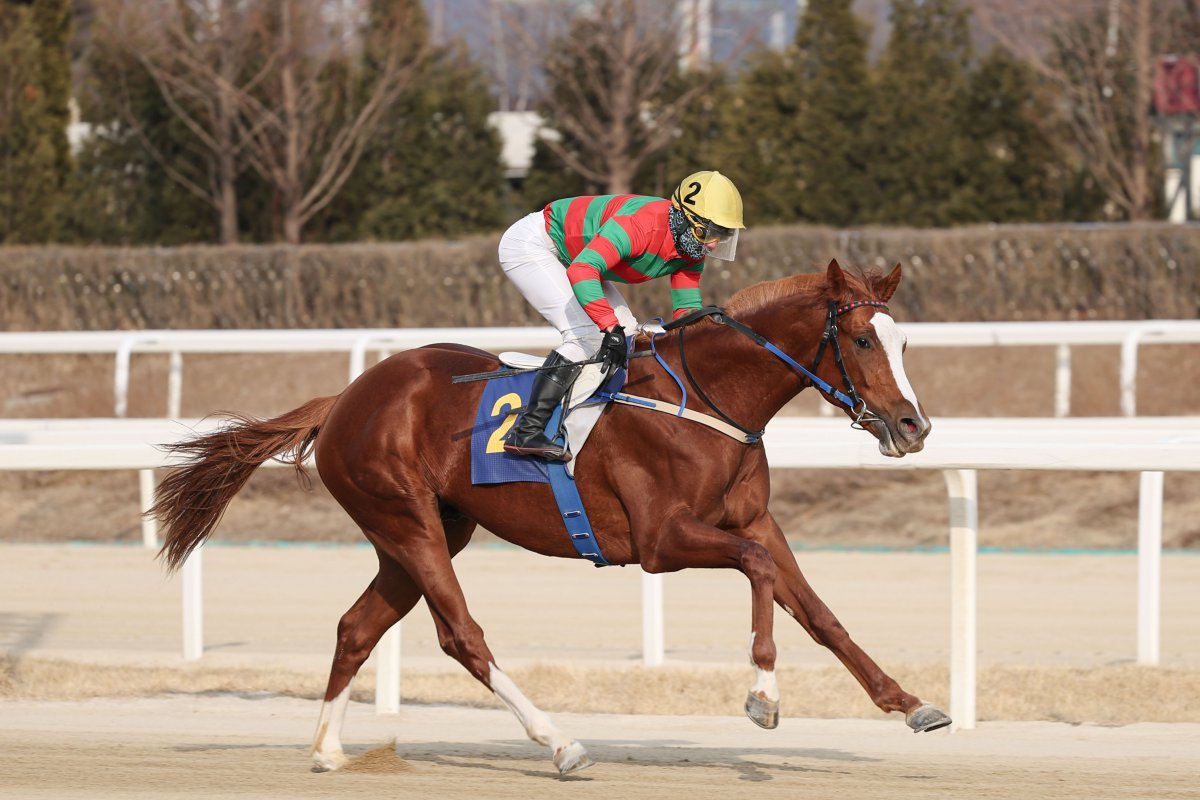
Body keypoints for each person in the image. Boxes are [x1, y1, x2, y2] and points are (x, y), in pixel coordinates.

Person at [498, 170, 745, 462]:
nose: (713, 244)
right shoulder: (640, 226)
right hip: (535, 245)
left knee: (626, 335)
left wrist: (705, 338)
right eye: (709, 232)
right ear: (683, 218)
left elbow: (686, 308)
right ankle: (527, 429)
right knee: (587, 334)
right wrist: (607, 325)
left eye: (722, 234)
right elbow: (582, 270)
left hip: (578, 256)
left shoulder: (690, 244)